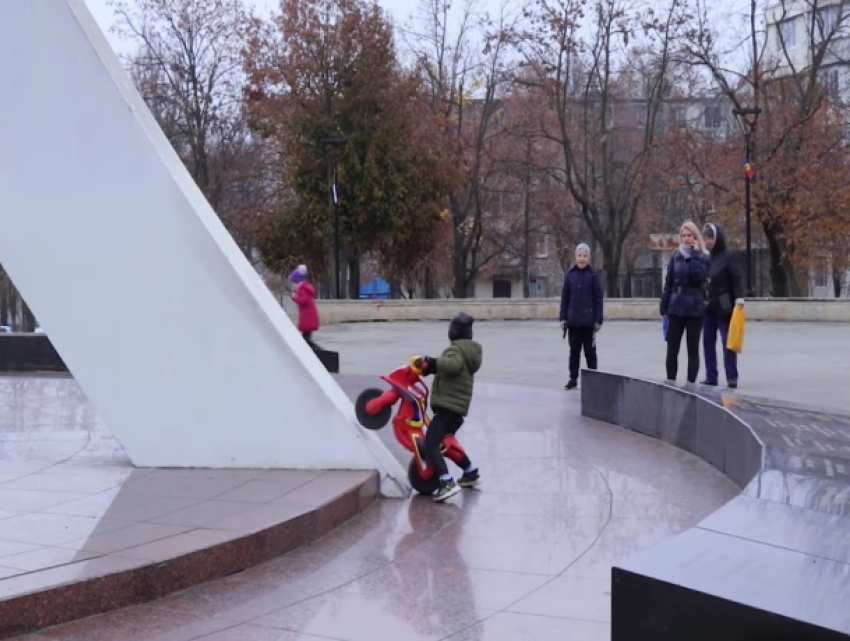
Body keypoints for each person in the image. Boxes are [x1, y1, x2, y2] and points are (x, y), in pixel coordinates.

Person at [417, 313, 483, 502]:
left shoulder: (456, 350)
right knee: (446, 443)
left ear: (452, 333)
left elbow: (453, 366)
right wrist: (431, 368)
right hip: (455, 410)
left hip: (448, 409)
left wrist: (434, 362)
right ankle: (470, 472)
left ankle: (446, 482)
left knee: (431, 443)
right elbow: (453, 368)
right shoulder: (468, 351)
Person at [660, 222, 710, 384]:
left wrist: (694, 256)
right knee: (672, 349)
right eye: (684, 235)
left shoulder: (703, 256)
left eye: (689, 235)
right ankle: (670, 383)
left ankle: (690, 384)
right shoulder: (675, 256)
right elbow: (669, 283)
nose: (686, 239)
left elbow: (700, 278)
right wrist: (664, 305)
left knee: (692, 349)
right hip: (675, 308)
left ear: (695, 237)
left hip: (694, 309)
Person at [701, 223, 745, 388]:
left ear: (717, 238)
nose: (708, 241)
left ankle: (731, 376)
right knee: (707, 342)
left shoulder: (728, 256)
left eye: (710, 238)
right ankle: (711, 375)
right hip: (709, 306)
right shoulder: (707, 258)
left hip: (724, 307)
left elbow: (737, 278)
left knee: (728, 341)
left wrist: (739, 299)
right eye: (706, 238)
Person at [559, 243, 604, 390]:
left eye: (585, 256)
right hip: (573, 322)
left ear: (588, 258)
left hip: (589, 322)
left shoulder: (593, 275)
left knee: (590, 352)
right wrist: (563, 317)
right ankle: (573, 378)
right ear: (575, 257)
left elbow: (598, 298)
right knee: (574, 352)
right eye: (579, 256)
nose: (582, 259)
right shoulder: (570, 275)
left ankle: (593, 379)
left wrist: (598, 319)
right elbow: (565, 297)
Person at [290, 265, 320, 349]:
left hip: (308, 320)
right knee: (306, 340)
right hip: (308, 319)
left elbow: (304, 300)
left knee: (306, 342)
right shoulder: (305, 289)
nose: (294, 286)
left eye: (294, 283)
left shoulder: (303, 289)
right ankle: (319, 352)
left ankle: (321, 353)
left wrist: (294, 297)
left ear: (298, 281)